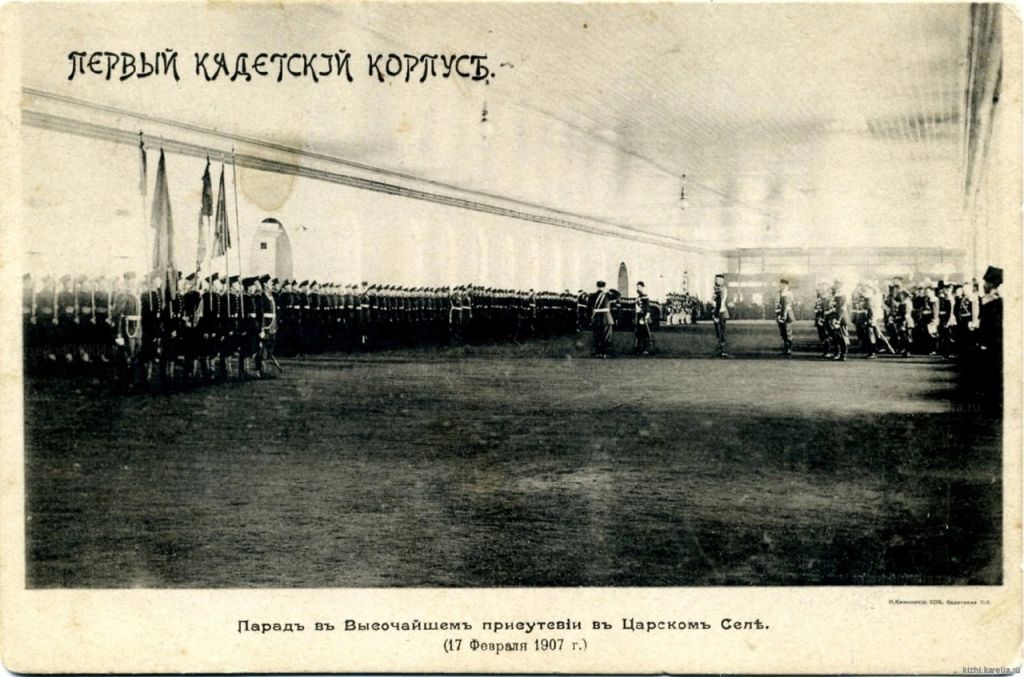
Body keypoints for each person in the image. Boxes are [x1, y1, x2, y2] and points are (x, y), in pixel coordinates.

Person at [588, 280, 620, 358]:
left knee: (597, 336)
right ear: (604, 287)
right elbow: (618, 295)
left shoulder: (592, 296)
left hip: (596, 318)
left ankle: (598, 353)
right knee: (606, 336)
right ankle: (605, 353)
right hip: (607, 318)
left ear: (597, 287)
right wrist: (610, 290)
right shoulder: (608, 295)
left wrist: (590, 318)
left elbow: (588, 308)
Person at [829, 279, 849, 361]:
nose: (835, 285)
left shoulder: (842, 295)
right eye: (835, 283)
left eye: (837, 284)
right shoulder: (835, 294)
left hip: (841, 319)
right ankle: (837, 353)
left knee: (842, 337)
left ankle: (843, 354)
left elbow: (842, 309)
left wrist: (838, 320)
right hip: (834, 318)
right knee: (835, 337)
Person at [775, 278, 796, 356]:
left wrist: (788, 308)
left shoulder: (789, 293)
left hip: (787, 314)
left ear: (786, 285)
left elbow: (793, 303)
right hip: (780, 314)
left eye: (782, 284)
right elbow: (777, 304)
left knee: (788, 331)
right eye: (780, 284)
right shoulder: (778, 293)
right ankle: (785, 348)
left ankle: (788, 349)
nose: (780, 285)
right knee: (783, 331)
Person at [633, 281, 654, 356]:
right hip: (639, 317)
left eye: (638, 287)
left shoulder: (645, 297)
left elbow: (648, 309)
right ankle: (639, 348)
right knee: (639, 334)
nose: (637, 288)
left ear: (642, 287)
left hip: (643, 318)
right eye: (637, 287)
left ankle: (648, 349)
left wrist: (644, 318)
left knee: (646, 334)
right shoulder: (639, 297)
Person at [712, 274, 729, 357]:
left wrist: (716, 315)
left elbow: (719, 302)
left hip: (720, 312)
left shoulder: (720, 290)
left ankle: (721, 350)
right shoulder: (720, 289)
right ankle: (721, 349)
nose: (715, 281)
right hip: (721, 312)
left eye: (717, 280)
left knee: (720, 332)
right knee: (720, 331)